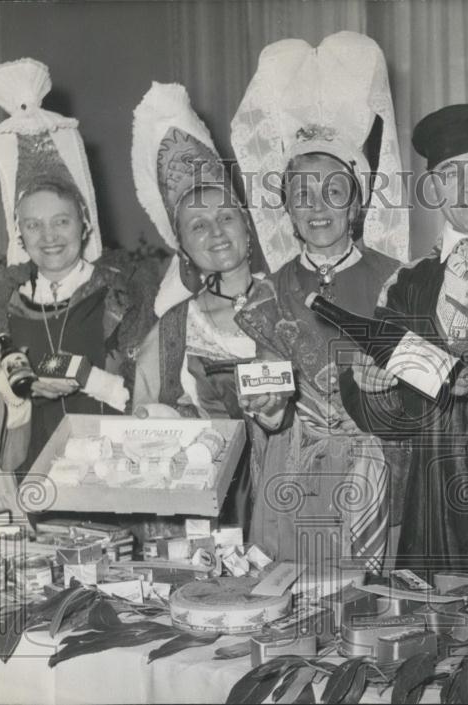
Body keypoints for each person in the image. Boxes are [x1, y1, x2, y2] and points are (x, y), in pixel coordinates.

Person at [229, 32, 410, 572]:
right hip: (294, 479)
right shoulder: (266, 294)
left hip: (374, 475)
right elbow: (267, 394)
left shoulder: (401, 281)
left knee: (367, 625)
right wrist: (266, 409)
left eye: (334, 190)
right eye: (301, 193)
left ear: (356, 203)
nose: (317, 207)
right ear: (285, 206)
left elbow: (425, 396)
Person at [340, 104, 468, 581]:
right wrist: (369, 386)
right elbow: (391, 421)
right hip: (433, 513)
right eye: (451, 173)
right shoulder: (413, 282)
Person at [0, 59, 156, 486]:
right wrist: (17, 388)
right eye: (33, 224)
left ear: (84, 223)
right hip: (32, 477)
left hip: (109, 479)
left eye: (61, 221)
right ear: (19, 232)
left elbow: (148, 397)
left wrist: (86, 378)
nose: (48, 236)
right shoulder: (3, 305)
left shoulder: (123, 296)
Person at [130, 82, 289, 531]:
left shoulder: (292, 300)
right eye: (197, 226)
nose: (216, 233)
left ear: (247, 225)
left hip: (298, 501)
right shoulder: (176, 328)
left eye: (225, 217)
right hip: (214, 512)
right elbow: (145, 433)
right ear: (181, 246)